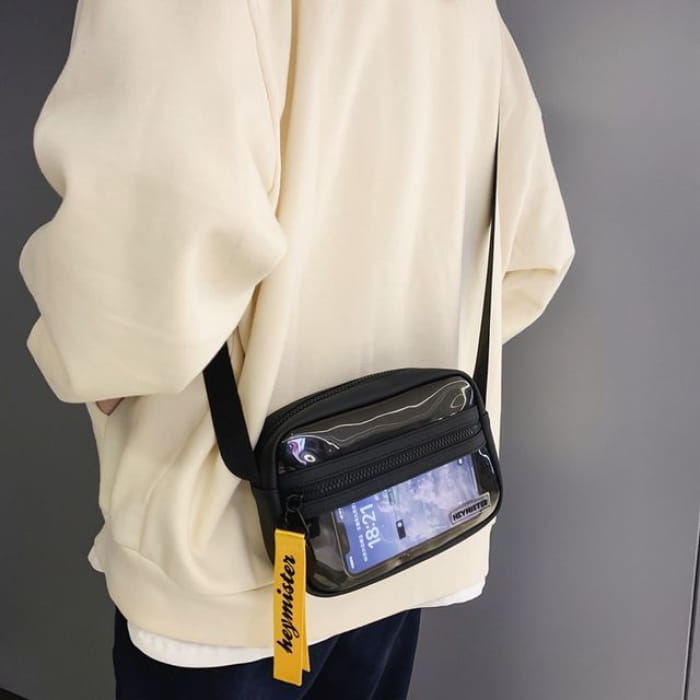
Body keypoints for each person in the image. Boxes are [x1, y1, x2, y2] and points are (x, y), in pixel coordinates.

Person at [19, 1, 575, 697]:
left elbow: (135, 271)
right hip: (408, 524)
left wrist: (95, 362)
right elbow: (531, 254)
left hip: (230, 554)